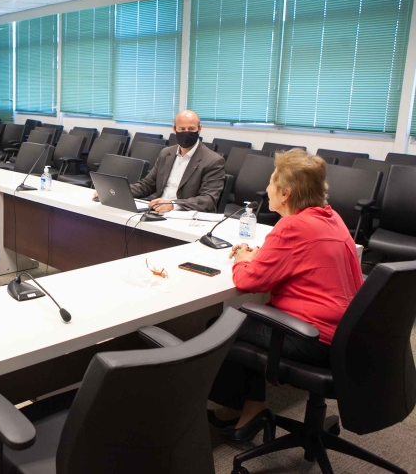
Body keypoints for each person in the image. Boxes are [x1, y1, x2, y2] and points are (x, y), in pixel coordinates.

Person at [208, 149, 363, 441]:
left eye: (271, 182)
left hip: (314, 337)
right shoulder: (330, 218)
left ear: (286, 193)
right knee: (240, 322)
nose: (267, 189)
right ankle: (244, 407)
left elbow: (248, 281)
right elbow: (300, 260)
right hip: (346, 334)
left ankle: (249, 408)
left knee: (223, 326)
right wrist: (262, 255)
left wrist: (243, 257)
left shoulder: (292, 226)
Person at [92, 110, 224, 212]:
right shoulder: (166, 153)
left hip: (185, 216)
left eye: (191, 129)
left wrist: (172, 205)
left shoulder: (213, 161)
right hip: (158, 212)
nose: (186, 133)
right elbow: (147, 185)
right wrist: (113, 190)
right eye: (182, 129)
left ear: (199, 129)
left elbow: (208, 200)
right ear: (174, 129)